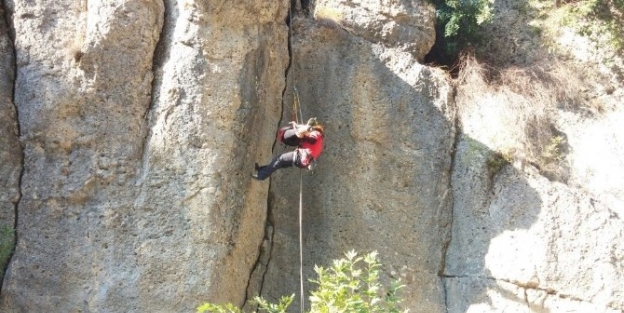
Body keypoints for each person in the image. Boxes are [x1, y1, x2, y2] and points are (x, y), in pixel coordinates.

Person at [252, 118, 324, 181]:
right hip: (304, 161)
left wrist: (303, 129)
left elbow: (306, 134)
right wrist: (297, 126)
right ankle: (261, 170)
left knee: (279, 159)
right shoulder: (320, 139)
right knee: (279, 163)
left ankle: (260, 176)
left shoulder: (315, 134)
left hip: (300, 158)